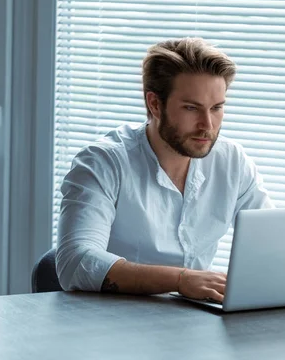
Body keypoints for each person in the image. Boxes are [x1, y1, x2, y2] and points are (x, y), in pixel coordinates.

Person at [56, 37, 273, 303]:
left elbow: (270, 243)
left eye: (217, 108)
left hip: (193, 320)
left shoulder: (232, 162)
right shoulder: (103, 163)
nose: (207, 125)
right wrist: (181, 280)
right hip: (111, 322)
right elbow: (76, 263)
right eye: (191, 108)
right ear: (155, 104)